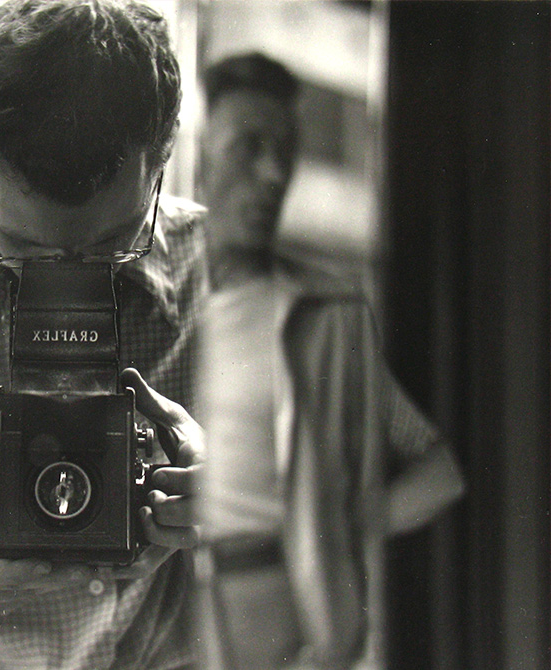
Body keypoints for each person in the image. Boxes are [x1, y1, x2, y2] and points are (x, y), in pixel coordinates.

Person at [0, 2, 207, 668]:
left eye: (113, 244)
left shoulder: (227, 279)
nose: (67, 277)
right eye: (22, 247)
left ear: (164, 153)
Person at [195, 52, 465, 669]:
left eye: (286, 150)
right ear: (200, 155)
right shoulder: (148, 302)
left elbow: (438, 470)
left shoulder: (328, 316)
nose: (272, 173)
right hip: (171, 616)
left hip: (284, 624)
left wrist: (343, 527)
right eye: (249, 146)